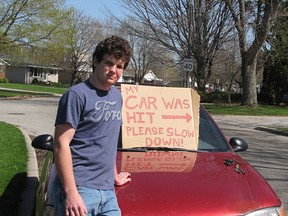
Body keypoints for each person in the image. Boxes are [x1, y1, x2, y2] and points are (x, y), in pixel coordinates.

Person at [52, 35, 132, 216]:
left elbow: (106, 140)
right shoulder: (77, 95)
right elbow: (60, 144)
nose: (113, 70)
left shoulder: (116, 97)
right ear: (95, 62)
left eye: (119, 66)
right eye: (108, 63)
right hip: (80, 189)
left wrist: (114, 175)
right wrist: (71, 193)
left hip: (108, 192)